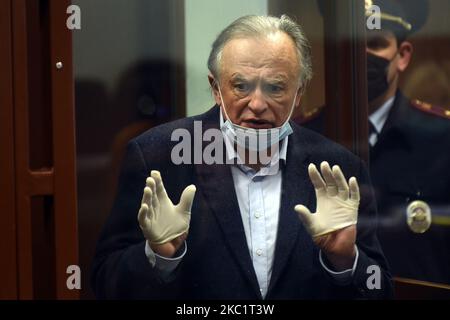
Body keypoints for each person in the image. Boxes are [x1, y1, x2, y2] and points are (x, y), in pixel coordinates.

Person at [91, 15, 393, 299]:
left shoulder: (340, 168)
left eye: (275, 87)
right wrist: (157, 255)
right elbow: (106, 283)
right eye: (241, 86)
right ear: (216, 89)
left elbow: (380, 289)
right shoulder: (159, 156)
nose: (257, 104)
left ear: (299, 94)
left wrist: (345, 260)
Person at [301, 0, 450, 284]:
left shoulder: (442, 137)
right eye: (353, 44)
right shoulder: (303, 136)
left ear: (403, 55)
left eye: (376, 43)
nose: (362, 55)